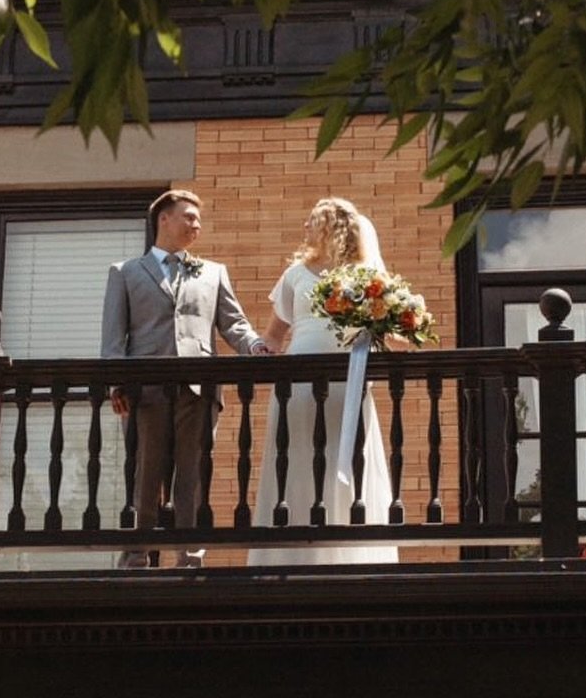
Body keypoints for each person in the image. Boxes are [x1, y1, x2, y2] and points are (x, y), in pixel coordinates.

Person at [101, 188, 267, 568]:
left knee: (192, 474)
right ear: (164, 219)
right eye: (189, 217)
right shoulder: (125, 273)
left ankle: (189, 557)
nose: (197, 225)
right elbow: (113, 338)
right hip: (146, 389)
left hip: (198, 388)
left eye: (198, 219)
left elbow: (234, 324)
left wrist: (254, 346)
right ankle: (137, 557)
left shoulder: (212, 272)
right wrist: (117, 384)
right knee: (146, 473)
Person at [247, 197, 399, 567]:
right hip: (298, 386)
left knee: (344, 458)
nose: (304, 228)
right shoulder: (295, 275)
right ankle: (292, 557)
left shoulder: (365, 276)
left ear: (332, 227)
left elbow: (390, 335)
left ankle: (349, 556)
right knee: (296, 458)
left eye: (312, 221)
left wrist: (398, 322)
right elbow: (273, 337)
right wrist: (258, 352)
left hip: (348, 382)